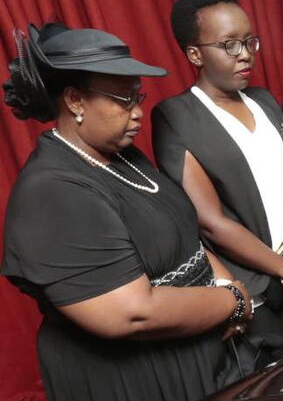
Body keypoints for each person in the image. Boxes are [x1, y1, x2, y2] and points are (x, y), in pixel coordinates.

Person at [1, 23, 253, 401]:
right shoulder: (52, 191)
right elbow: (132, 313)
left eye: (139, 96)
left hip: (204, 354)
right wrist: (233, 301)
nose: (138, 113)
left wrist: (225, 290)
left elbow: (186, 236)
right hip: (138, 378)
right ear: (74, 100)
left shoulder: (122, 155)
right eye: (124, 100)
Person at [152, 0, 283, 359]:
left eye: (250, 41)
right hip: (257, 289)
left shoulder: (263, 100)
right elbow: (210, 220)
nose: (245, 54)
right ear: (195, 54)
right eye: (230, 45)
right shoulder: (176, 117)